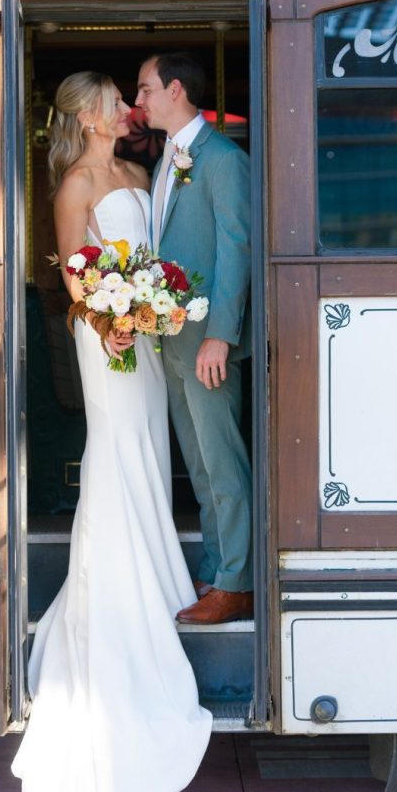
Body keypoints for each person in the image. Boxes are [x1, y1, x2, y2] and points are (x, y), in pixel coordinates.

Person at [6, 72, 212, 792]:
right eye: (112, 101)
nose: (125, 108)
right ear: (87, 116)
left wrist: (150, 305)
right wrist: (114, 317)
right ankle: (118, 571)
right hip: (107, 339)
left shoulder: (133, 169)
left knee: (148, 449)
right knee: (117, 443)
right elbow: (70, 274)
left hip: (145, 332)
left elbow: (146, 253)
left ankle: (148, 554)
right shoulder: (77, 181)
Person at [135, 52, 253, 625]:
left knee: (222, 462)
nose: (141, 101)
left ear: (176, 89)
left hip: (207, 343)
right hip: (172, 340)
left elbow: (237, 249)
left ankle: (237, 582)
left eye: (146, 89)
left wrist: (221, 338)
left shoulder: (224, 159)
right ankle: (216, 569)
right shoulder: (169, 159)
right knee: (201, 469)